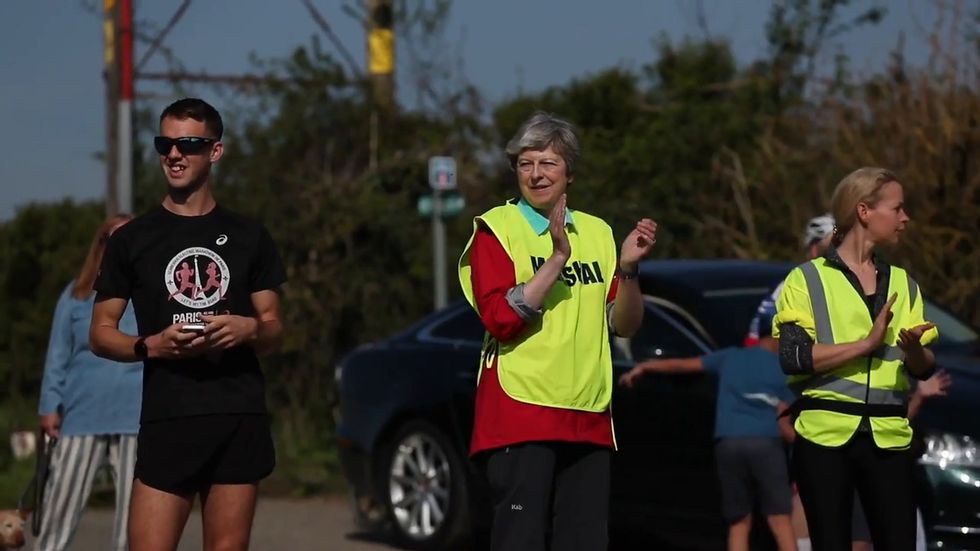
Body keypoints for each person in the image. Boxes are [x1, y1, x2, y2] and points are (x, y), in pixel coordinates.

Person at [89, 98, 286, 551]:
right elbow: (100, 332)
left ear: (215, 151)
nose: (174, 155)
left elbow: (275, 328)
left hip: (237, 414)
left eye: (188, 144)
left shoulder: (249, 235)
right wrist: (151, 346)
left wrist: (249, 330)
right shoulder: (132, 239)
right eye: (165, 144)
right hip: (168, 416)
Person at [457, 112, 656, 551]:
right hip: (520, 411)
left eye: (548, 162)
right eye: (525, 163)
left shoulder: (598, 231)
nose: (536, 174)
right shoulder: (498, 230)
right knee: (520, 541)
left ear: (570, 172)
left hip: (587, 413)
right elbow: (501, 319)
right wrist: (556, 258)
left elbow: (624, 324)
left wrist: (628, 270)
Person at [773, 167, 938, 551]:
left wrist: (913, 348)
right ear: (864, 211)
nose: (905, 217)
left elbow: (925, 366)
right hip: (824, 437)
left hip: (889, 438)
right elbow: (793, 355)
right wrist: (866, 344)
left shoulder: (903, 282)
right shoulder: (806, 279)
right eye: (897, 208)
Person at [620, 310, 798, 551]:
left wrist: (646, 367)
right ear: (778, 337)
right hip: (766, 444)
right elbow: (784, 417)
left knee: (738, 521)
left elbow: (684, 365)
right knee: (780, 519)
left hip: (728, 443)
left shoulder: (731, 357)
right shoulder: (783, 369)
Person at [34, 214, 140, 551]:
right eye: (115, 238)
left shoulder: (154, 291)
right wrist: (49, 406)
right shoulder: (76, 294)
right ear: (102, 245)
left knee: (135, 521)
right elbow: (58, 354)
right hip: (82, 415)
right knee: (58, 508)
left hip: (138, 417)